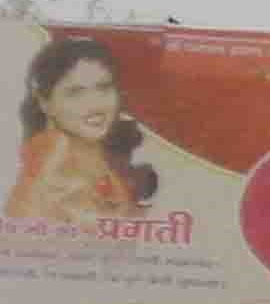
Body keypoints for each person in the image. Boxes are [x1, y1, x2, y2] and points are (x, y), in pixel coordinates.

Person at [8, 37, 162, 225]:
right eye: (75, 92)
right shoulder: (52, 165)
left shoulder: (109, 166)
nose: (95, 104)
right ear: (45, 103)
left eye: (104, 88)